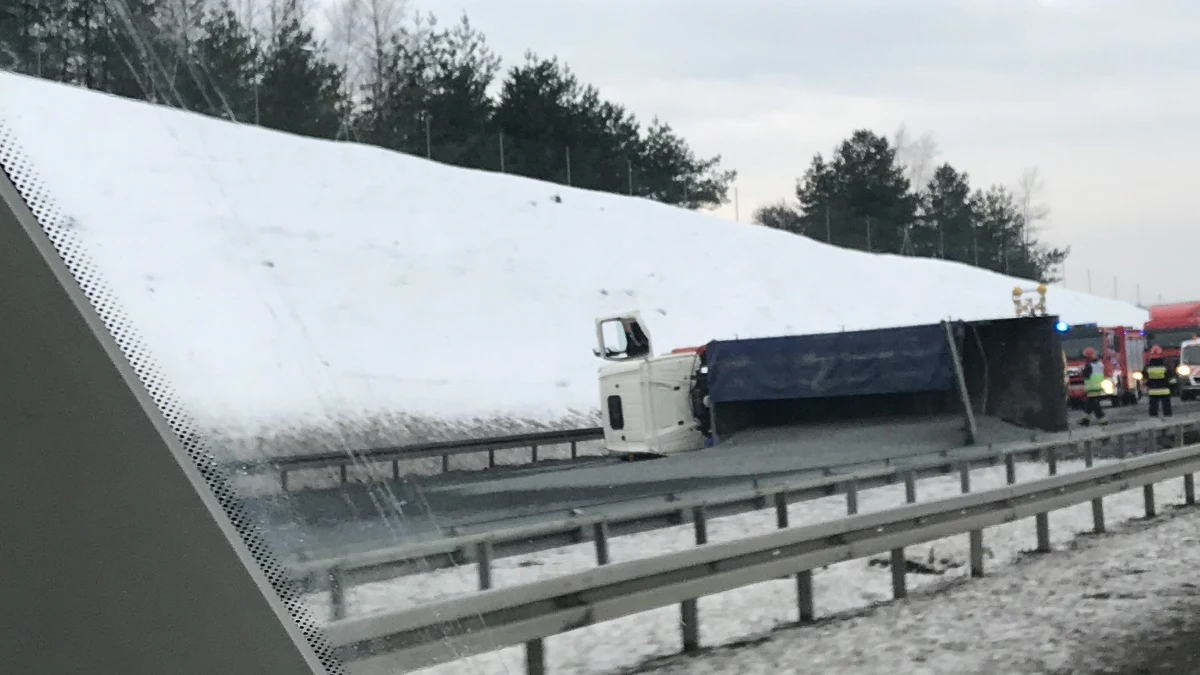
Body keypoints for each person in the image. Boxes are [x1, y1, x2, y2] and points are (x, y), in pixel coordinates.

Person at [1143, 345, 1176, 418]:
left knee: (1153, 407)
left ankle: (1153, 418)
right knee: (1166, 407)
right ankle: (1167, 417)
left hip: (1153, 391)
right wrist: (1173, 387)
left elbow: (1144, 379)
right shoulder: (1165, 367)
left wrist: (1148, 384)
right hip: (1165, 390)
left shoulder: (1147, 367)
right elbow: (1171, 379)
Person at [1080, 347, 1108, 426]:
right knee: (1088, 406)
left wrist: (1081, 371)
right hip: (1098, 388)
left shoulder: (1089, 366)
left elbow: (1085, 376)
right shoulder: (1100, 364)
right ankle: (1085, 421)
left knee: (1095, 406)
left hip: (1092, 389)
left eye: (1085, 357)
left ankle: (1103, 421)